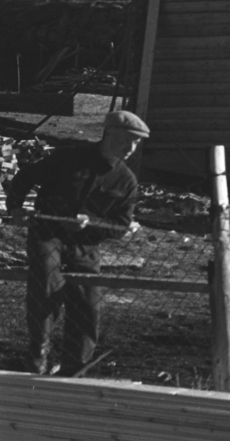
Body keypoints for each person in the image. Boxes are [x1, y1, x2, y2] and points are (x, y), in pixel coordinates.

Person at [4, 110, 149, 375]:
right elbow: (24, 177)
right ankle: (38, 354)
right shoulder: (67, 158)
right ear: (108, 134)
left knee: (87, 300)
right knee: (47, 286)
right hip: (48, 235)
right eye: (125, 141)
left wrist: (90, 221)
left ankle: (75, 365)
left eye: (136, 143)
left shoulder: (126, 180)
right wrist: (15, 208)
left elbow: (120, 226)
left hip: (86, 245)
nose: (130, 148)